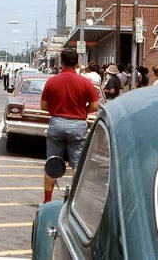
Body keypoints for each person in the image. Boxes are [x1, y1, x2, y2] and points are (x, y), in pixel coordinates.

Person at [41, 49, 99, 203]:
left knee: (52, 163)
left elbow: (43, 106)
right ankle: (74, 201)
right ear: (77, 63)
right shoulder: (85, 83)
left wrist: (57, 109)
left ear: (62, 62)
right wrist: (81, 111)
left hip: (57, 122)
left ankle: (47, 201)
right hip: (78, 124)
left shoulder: (52, 81)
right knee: (77, 165)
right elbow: (94, 106)